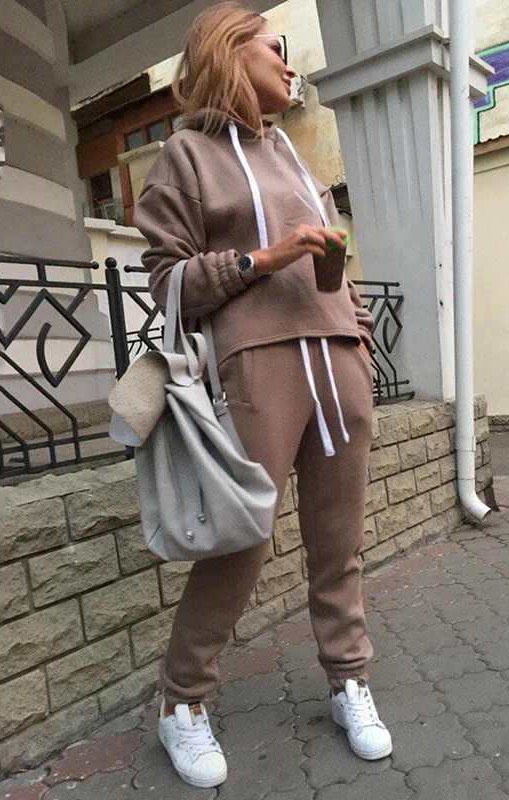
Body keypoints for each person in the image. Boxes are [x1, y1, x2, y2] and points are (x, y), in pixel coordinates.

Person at [134, 1, 392, 789]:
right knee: (241, 542)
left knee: (339, 540)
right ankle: (182, 701)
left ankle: (348, 680)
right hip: (259, 365)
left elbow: (333, 270)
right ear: (228, 51)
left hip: (337, 363)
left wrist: (355, 327)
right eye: (274, 48)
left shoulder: (295, 157)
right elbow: (166, 283)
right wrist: (263, 259)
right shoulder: (184, 156)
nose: (288, 63)